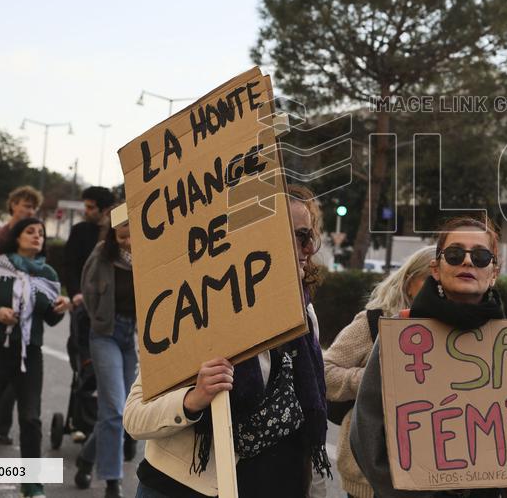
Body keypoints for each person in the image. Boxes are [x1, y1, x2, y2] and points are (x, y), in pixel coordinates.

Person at [124, 188, 331, 498]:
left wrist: (316, 492)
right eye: (298, 236)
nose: (307, 248)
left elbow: (308, 421)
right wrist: (193, 400)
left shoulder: (305, 315)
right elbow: (135, 417)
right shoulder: (201, 309)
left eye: (309, 236)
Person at [350, 216, 507, 498]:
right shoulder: (400, 336)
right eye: (454, 254)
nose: (467, 262)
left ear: (494, 272)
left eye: (480, 256)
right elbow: (366, 430)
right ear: (436, 269)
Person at [0, 217, 70, 498]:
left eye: (41, 233)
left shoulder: (48, 274)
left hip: (29, 353)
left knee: (31, 417)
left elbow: (49, 318)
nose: (37, 236)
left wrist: (60, 309)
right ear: (16, 237)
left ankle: (31, 482)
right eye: (30, 231)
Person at [324, 247, 433, 498]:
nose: (438, 289)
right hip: (369, 479)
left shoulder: (451, 333)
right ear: (409, 283)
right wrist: (371, 380)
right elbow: (325, 372)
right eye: (430, 280)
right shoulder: (373, 323)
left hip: (427, 477)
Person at [74, 221, 137, 498]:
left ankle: (87, 457)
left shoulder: (150, 255)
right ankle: (113, 482)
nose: (128, 241)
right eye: (122, 235)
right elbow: (87, 289)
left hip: (130, 338)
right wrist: (98, 318)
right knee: (114, 410)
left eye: (132, 233)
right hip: (105, 336)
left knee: (119, 413)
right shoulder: (102, 253)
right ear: (112, 235)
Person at [0, 185, 43, 446]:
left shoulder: (37, 242)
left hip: (26, 322)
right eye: (24, 205)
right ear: (13, 205)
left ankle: (2, 425)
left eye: (32, 207)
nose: (28, 210)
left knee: (19, 379)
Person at [63, 185, 115, 444]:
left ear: (105, 209)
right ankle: (81, 423)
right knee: (85, 367)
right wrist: (75, 293)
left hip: (112, 314)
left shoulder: (119, 232)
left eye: (91, 207)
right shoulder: (80, 232)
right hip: (84, 309)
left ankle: (109, 425)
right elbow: (69, 265)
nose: (86, 211)